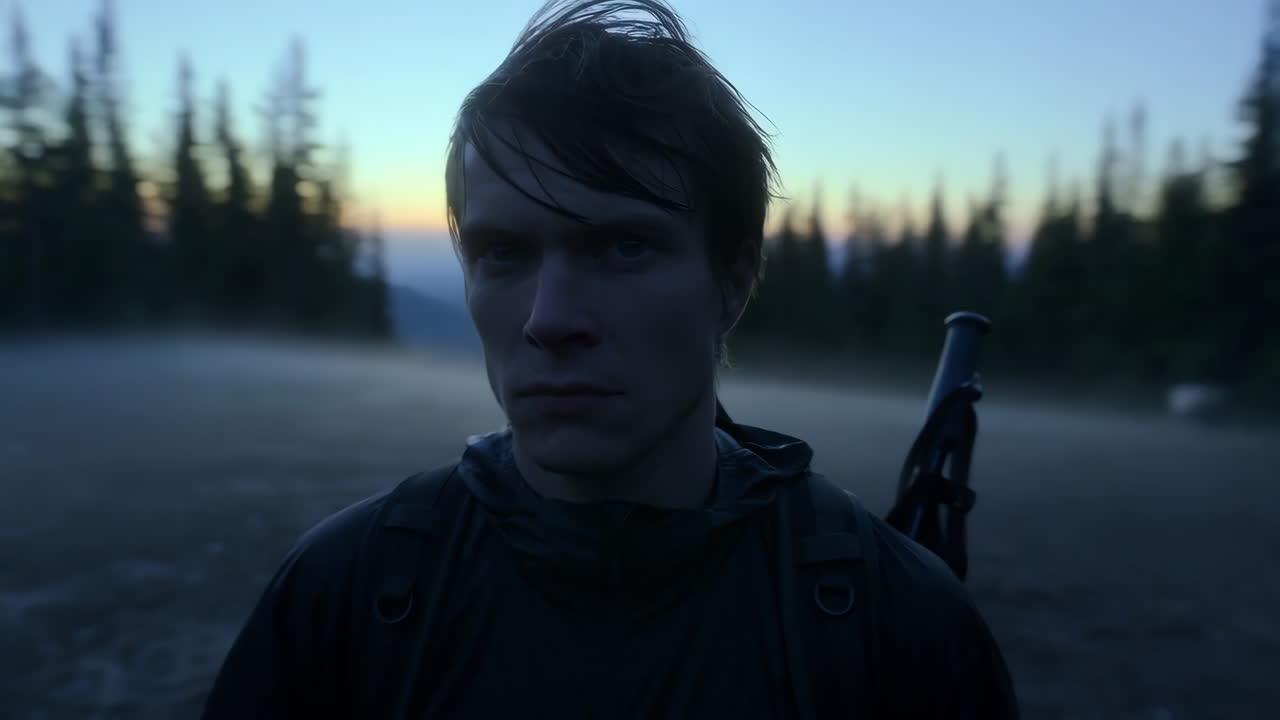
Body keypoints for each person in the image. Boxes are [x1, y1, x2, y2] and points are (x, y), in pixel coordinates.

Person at [201, 1, 1020, 717]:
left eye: (625, 246)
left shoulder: (895, 622)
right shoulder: (344, 598)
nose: (550, 321)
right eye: (503, 254)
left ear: (731, 282)